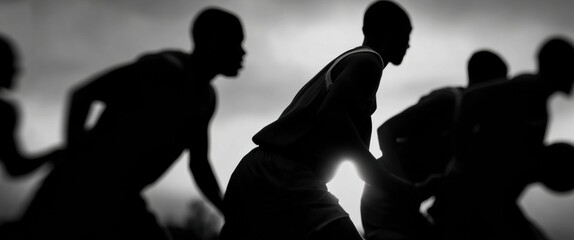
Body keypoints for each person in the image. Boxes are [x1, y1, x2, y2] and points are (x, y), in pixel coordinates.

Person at [16, 7, 245, 240]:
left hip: (120, 196)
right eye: (236, 42)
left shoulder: (206, 99)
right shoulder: (163, 70)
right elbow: (82, 96)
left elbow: (199, 164)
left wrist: (227, 211)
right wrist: (76, 163)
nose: (243, 52)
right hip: (79, 190)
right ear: (212, 41)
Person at [220, 1, 432, 240]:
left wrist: (403, 188)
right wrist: (404, 188)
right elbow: (333, 118)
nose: (409, 44)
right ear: (391, 32)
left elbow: (353, 154)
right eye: (407, 35)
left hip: (258, 171)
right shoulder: (369, 62)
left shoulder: (352, 63)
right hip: (284, 175)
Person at [431, 36, 574, 240]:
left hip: (492, 203)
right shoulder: (524, 87)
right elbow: (469, 99)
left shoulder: (541, 108)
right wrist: (460, 160)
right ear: (559, 67)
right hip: (467, 200)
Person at [360, 50, 509, 240]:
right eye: (499, 85)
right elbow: (386, 132)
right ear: (484, 81)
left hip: (409, 205)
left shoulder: (475, 124)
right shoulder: (449, 100)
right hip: (384, 198)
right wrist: (405, 189)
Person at [0, 34, 63, 178]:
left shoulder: (5, 112)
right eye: (10, 62)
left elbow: (15, 167)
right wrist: (54, 155)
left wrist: (53, 155)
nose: (18, 70)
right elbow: (15, 167)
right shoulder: (4, 112)